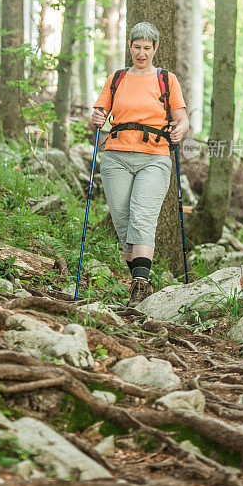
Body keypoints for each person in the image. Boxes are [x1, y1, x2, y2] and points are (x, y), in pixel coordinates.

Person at [89, 21, 189, 305]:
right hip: (116, 156)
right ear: (130, 47)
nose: (141, 53)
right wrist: (96, 118)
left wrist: (181, 128)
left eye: (147, 48)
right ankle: (141, 282)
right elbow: (99, 113)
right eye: (137, 47)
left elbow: (181, 117)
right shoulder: (117, 78)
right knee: (123, 222)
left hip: (154, 157)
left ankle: (139, 285)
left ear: (155, 49)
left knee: (142, 216)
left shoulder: (166, 79)